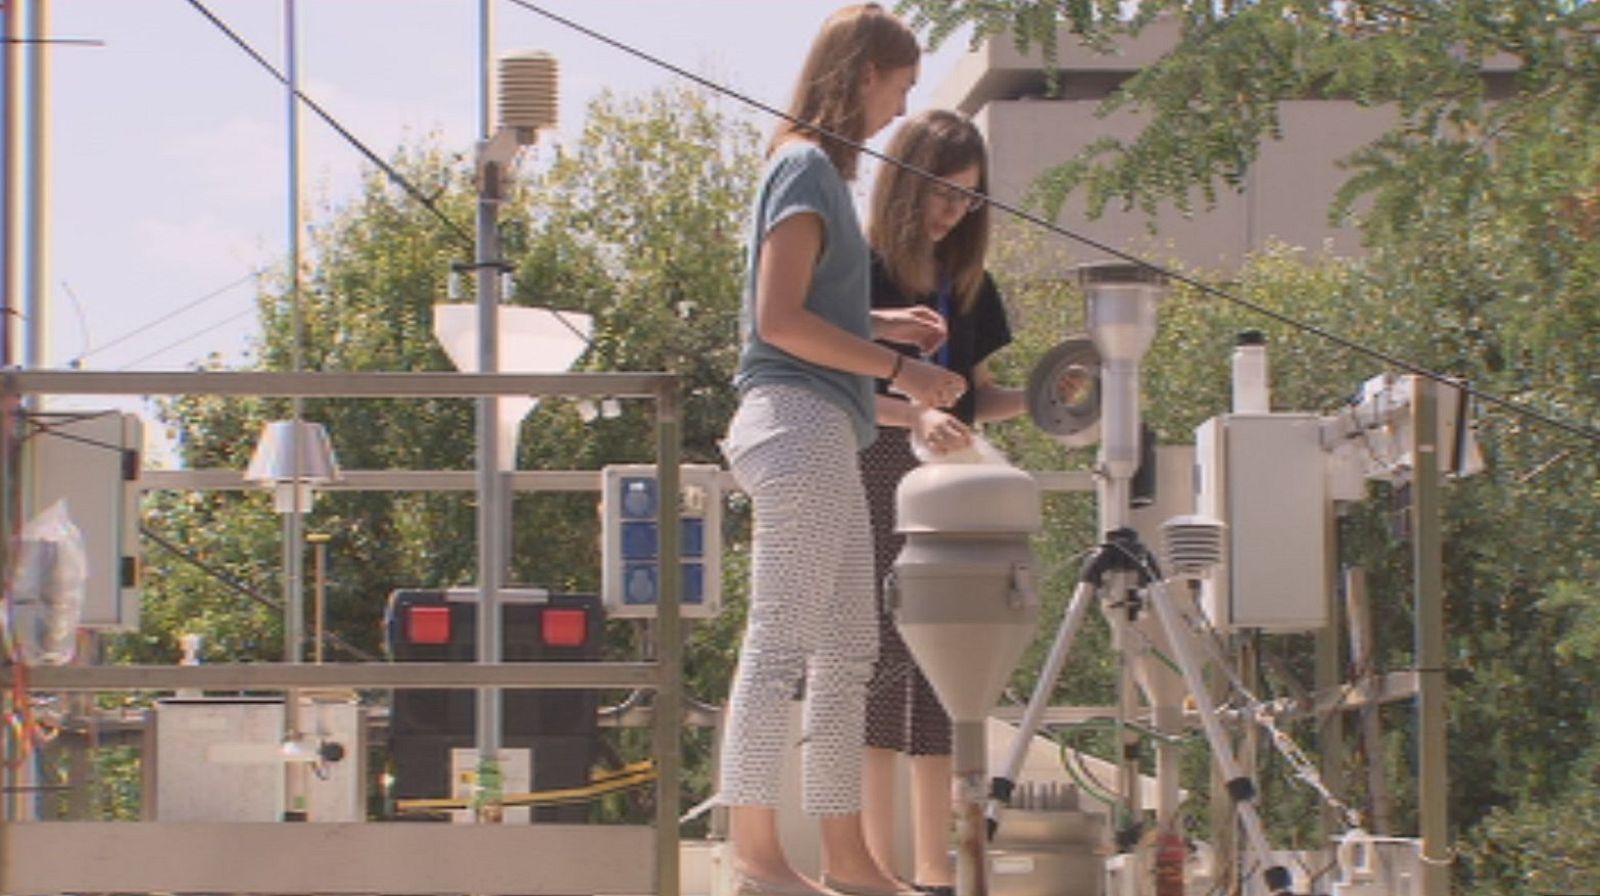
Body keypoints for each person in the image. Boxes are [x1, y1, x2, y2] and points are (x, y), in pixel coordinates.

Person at [717, 8, 969, 896]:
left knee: (849, 651)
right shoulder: (805, 166)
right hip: (796, 424)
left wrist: (877, 324)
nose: (901, 110)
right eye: (901, 86)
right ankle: (753, 858)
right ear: (866, 73)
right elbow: (775, 322)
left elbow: (805, 314)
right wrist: (904, 368)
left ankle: (850, 860)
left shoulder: (817, 174)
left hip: (828, 425)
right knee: (782, 643)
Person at [858, 110, 1027, 896]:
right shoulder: (858, 268)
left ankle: (935, 867)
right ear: (903, 180)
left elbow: (976, 396)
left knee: (943, 662)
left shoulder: (970, 284)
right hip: (875, 466)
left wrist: (1046, 400)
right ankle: (872, 860)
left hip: (948, 479)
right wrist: (916, 412)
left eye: (968, 200)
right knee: (876, 657)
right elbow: (844, 387)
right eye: (942, 194)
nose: (953, 212)